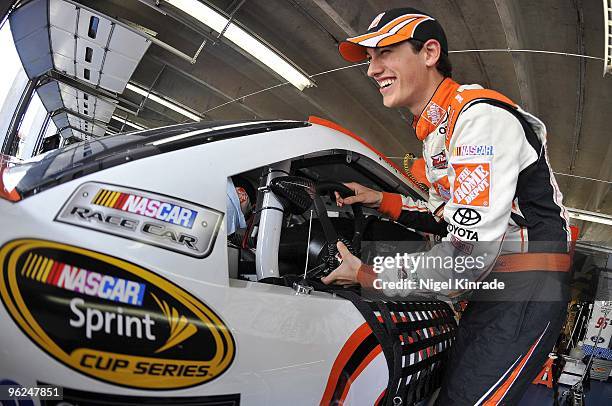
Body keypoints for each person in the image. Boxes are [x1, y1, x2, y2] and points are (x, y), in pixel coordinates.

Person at [322, 7, 571, 405]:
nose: (372, 70)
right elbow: (450, 216)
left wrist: (370, 274)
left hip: (524, 286)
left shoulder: (478, 119)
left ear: (430, 52)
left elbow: (466, 254)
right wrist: (380, 200)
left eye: (384, 51)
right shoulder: (440, 131)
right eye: (369, 58)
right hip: (493, 286)